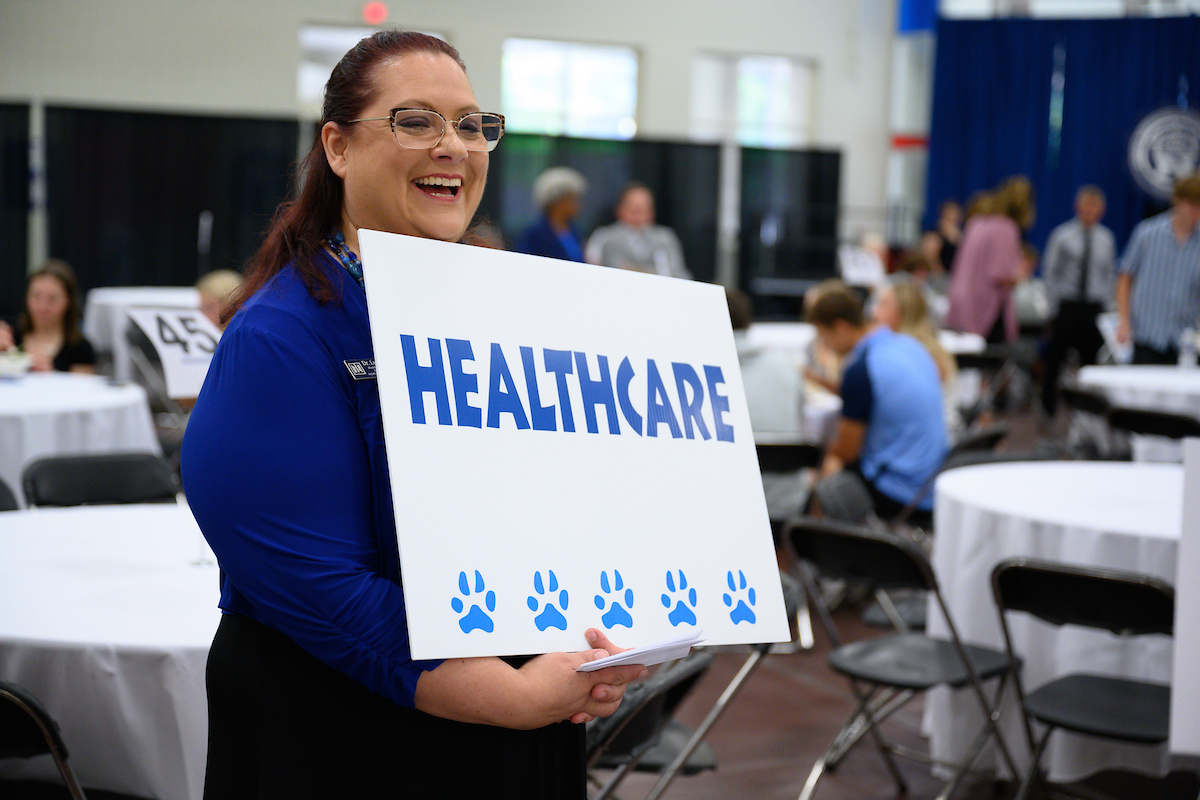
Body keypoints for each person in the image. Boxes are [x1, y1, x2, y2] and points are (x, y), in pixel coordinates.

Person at [179, 31, 644, 799]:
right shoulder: (280, 338)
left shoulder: (501, 314)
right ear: (337, 146)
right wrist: (516, 694)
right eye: (415, 121)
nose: (453, 146)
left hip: (508, 727)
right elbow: (328, 593)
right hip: (350, 738)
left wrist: (596, 635)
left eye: (470, 124)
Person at [807, 285, 946, 526]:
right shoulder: (907, 345)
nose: (823, 345)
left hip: (900, 490)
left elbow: (847, 450)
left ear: (839, 328)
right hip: (934, 478)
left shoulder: (861, 370)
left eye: (822, 335)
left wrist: (820, 459)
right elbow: (866, 396)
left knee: (822, 473)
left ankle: (810, 546)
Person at [1039, 186, 1116, 415]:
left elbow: (1109, 275)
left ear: (1102, 210)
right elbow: (1050, 273)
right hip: (1067, 307)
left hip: (1094, 308)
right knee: (1055, 360)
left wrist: (1109, 308)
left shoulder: (1106, 239)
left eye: (1096, 206)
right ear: (1078, 207)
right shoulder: (1062, 236)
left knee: (1091, 363)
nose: (1091, 210)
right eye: (1087, 205)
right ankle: (1048, 409)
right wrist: (1053, 308)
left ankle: (1087, 413)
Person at [1116, 173, 1200, 364]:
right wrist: (1124, 320)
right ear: (1177, 201)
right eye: (1191, 205)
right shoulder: (1147, 233)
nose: (1195, 212)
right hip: (1147, 334)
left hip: (1184, 340)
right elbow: (1125, 277)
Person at [945, 176, 1036, 344]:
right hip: (984, 308)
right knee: (989, 360)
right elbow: (1000, 274)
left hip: (961, 301)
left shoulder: (977, 223)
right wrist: (1020, 276)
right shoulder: (1007, 228)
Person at [873, 276, 963, 442]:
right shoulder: (915, 347)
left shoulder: (921, 353)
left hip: (933, 442)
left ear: (902, 311)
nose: (874, 312)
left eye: (883, 304)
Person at [0, 260, 95, 373]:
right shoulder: (11, 337)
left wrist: (53, 374)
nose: (43, 307)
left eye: (52, 299)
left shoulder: (80, 348)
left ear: (68, 301)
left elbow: (83, 388)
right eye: (36, 296)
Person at [585, 182, 691, 279]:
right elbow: (595, 271)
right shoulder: (604, 236)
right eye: (634, 208)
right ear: (619, 209)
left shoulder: (665, 237)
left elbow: (678, 273)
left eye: (644, 208)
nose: (639, 213)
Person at [515, 166, 588, 262]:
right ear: (557, 201)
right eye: (571, 199)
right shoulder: (534, 234)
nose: (577, 204)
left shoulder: (574, 231)